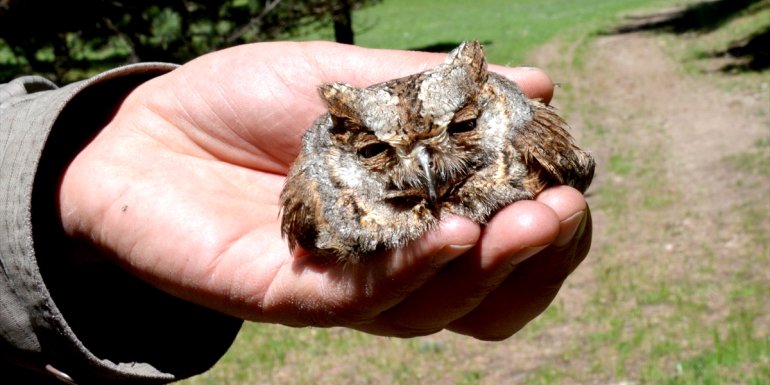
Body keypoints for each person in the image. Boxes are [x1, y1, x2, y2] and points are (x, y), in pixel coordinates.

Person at [0, 41, 592, 384]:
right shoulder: (321, 186)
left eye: (462, 128)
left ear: (484, 103)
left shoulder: (524, 134)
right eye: (375, 150)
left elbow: (569, 169)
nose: (428, 168)